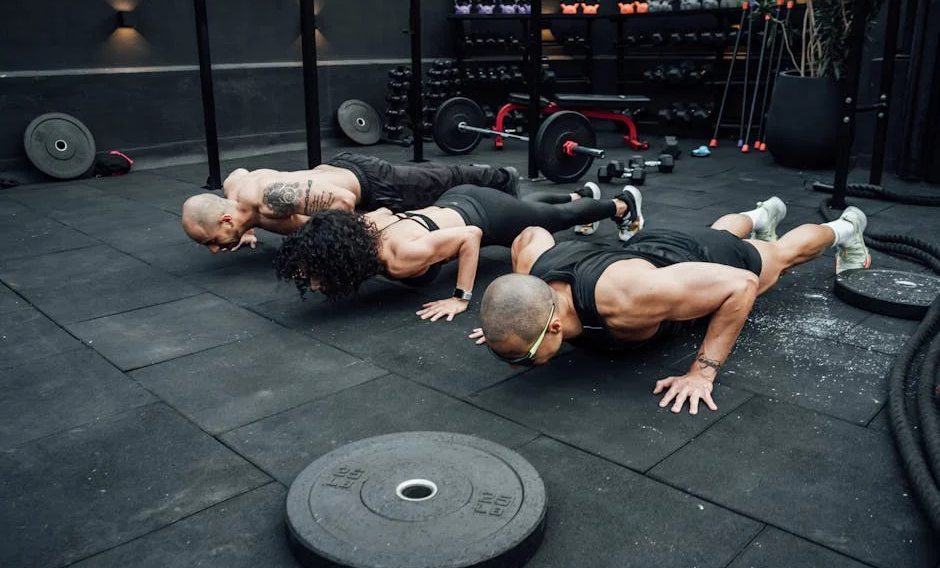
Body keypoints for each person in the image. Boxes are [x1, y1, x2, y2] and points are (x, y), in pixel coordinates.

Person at [473, 197, 872, 415]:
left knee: (780, 256)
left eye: (522, 357)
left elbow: (742, 286)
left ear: (555, 326)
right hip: (651, 251)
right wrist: (509, 321)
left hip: (705, 259)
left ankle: (847, 228)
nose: (515, 366)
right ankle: (761, 213)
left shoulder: (625, 300)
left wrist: (702, 373)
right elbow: (530, 234)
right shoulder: (535, 273)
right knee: (717, 229)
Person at [273, 184, 645, 322]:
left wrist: (461, 298)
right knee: (530, 209)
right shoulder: (364, 227)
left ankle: (622, 205)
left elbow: (471, 236)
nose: (315, 284)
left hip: (483, 215)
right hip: (455, 200)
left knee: (553, 219)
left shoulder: (399, 256)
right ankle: (580, 194)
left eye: (317, 275)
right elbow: (384, 211)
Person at [180, 152, 519, 253]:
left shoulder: (268, 199)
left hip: (369, 183)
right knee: (432, 179)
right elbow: (238, 173)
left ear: (226, 219)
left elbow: (343, 200)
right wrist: (246, 230)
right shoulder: (234, 192)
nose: (215, 249)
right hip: (340, 172)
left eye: (211, 241)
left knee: (438, 181)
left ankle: (503, 177)